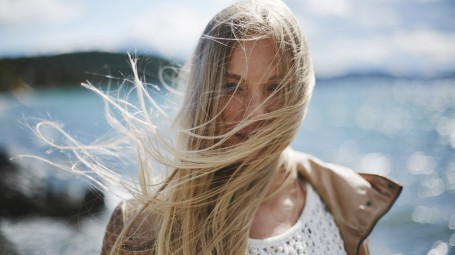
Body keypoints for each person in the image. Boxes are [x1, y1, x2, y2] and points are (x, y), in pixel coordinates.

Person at [98, 0, 402, 254]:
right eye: (232, 86)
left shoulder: (343, 206)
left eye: (274, 88)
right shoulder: (142, 226)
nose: (254, 114)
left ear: (297, 92)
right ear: (204, 91)